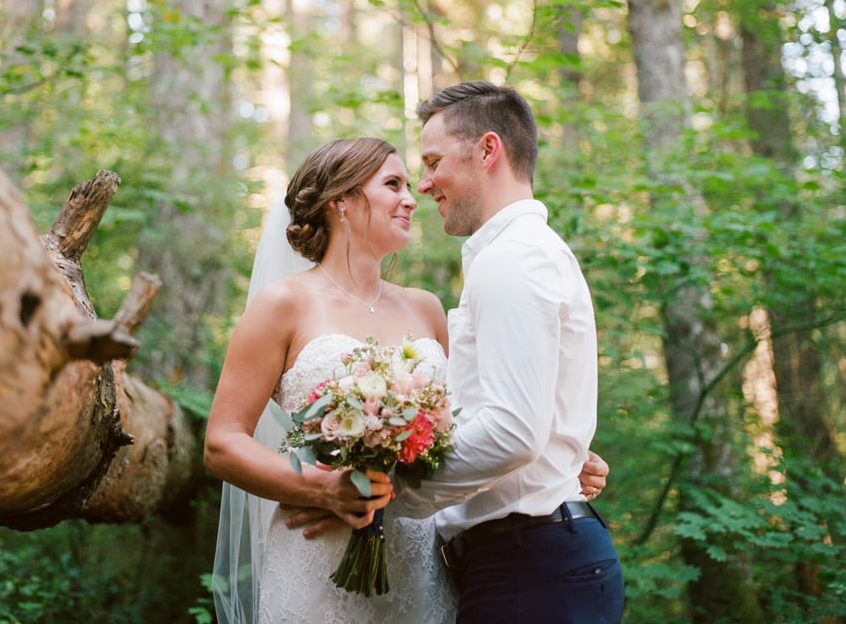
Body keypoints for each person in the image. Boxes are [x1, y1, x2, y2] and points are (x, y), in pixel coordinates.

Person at [205, 135, 610, 624]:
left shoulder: (426, 307)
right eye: (392, 184)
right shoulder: (283, 305)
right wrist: (321, 488)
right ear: (342, 202)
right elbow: (223, 442)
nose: (411, 198)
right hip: (319, 556)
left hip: (419, 561)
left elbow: (470, 424)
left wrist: (555, 457)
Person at [389, 81, 625, 624]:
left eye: (432, 162)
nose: (423, 185)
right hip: (531, 560)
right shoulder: (519, 254)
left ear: (488, 150)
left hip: (531, 568)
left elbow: (512, 430)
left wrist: (389, 494)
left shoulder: (513, 259)